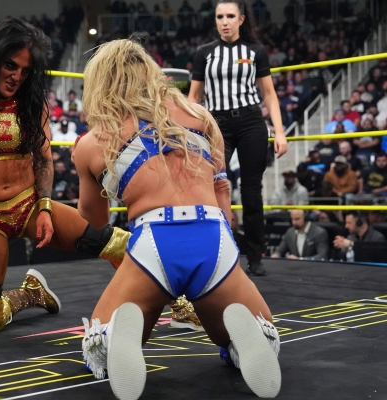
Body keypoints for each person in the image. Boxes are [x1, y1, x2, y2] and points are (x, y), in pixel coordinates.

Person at [74, 39, 281, 400]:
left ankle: (117, 336)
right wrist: (227, 258)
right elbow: (221, 190)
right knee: (266, 334)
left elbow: (94, 218)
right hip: (212, 234)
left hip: (154, 239)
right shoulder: (199, 116)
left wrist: (103, 175)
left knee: (97, 349)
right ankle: (240, 341)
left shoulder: (94, 141)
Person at [0, 19, 129, 333]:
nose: (17, 76)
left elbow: (43, 159)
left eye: (25, 71)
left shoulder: (31, 103)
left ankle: (180, 303)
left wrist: (46, 209)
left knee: (120, 244)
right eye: (10, 66)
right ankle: (30, 294)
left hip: (28, 205)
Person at [188, 0, 288, 276]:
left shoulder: (255, 51)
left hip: (250, 121)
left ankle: (255, 257)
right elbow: (194, 97)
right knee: (212, 186)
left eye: (230, 16)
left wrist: (280, 132)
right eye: (220, 16)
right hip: (217, 123)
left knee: (251, 190)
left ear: (241, 19)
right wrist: (190, 131)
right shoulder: (205, 52)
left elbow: (269, 94)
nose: (225, 21)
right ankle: (217, 253)